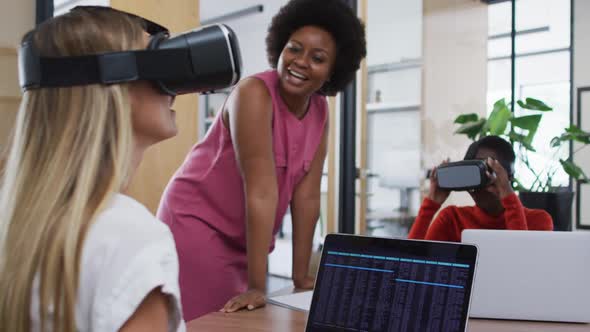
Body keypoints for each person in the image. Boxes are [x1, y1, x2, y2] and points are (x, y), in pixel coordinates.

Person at [157, 0, 366, 320]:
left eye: (318, 58)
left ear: (332, 73)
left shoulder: (321, 112)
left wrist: (300, 276)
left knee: (242, 318)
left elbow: (307, 196)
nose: (301, 62)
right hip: (197, 223)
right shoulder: (253, 94)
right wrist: (258, 285)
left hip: (245, 237)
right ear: (280, 48)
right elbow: (261, 191)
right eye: (294, 49)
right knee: (217, 321)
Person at [0, 7, 185, 331]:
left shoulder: (14, 215)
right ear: (116, 88)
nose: (175, 86)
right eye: (159, 64)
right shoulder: (129, 236)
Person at [408, 135, 553, 242]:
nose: (478, 185)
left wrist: (508, 198)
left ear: (509, 177)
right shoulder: (452, 219)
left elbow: (524, 268)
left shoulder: (537, 221)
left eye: (487, 171)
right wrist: (431, 204)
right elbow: (411, 264)